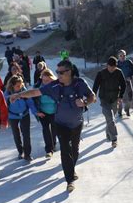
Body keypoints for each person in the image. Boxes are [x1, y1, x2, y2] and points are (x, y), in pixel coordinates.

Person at [10, 59, 95, 193]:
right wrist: (19, 94)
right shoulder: (54, 86)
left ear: (70, 71)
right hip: (60, 124)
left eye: (61, 72)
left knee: (75, 151)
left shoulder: (80, 83)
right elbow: (35, 92)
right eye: (57, 72)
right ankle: (69, 180)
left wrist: (85, 102)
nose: (58, 74)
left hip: (77, 124)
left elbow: (92, 96)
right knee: (65, 151)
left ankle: (71, 169)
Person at [92, 56, 126, 148]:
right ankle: (114, 139)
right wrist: (93, 95)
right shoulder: (101, 73)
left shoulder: (119, 72)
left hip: (115, 98)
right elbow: (95, 85)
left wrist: (120, 96)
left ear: (116, 66)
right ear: (107, 65)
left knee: (111, 119)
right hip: (104, 99)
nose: (112, 69)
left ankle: (108, 133)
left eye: (114, 67)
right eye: (110, 67)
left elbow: (123, 85)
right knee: (110, 119)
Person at [5, 75, 38, 162]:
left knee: (26, 134)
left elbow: (30, 103)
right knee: (16, 134)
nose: (20, 87)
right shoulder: (8, 93)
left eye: (21, 85)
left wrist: (36, 112)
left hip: (24, 114)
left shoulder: (24, 91)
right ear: (12, 86)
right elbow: (4, 104)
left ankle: (27, 154)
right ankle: (20, 151)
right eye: (17, 86)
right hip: (13, 116)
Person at [34, 69, 57, 158]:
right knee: (46, 130)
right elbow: (33, 100)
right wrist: (37, 112)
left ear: (52, 79)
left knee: (54, 129)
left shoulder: (57, 86)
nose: (45, 82)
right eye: (44, 80)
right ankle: (49, 150)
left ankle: (53, 144)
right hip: (43, 113)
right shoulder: (38, 87)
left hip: (55, 112)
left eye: (47, 80)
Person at [117, 49, 133, 116]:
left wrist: (130, 76)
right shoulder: (116, 64)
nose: (122, 57)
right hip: (119, 83)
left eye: (124, 55)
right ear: (118, 56)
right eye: (121, 56)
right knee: (119, 97)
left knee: (130, 95)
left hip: (127, 81)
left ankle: (127, 109)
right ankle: (119, 111)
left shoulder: (129, 62)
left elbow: (132, 70)